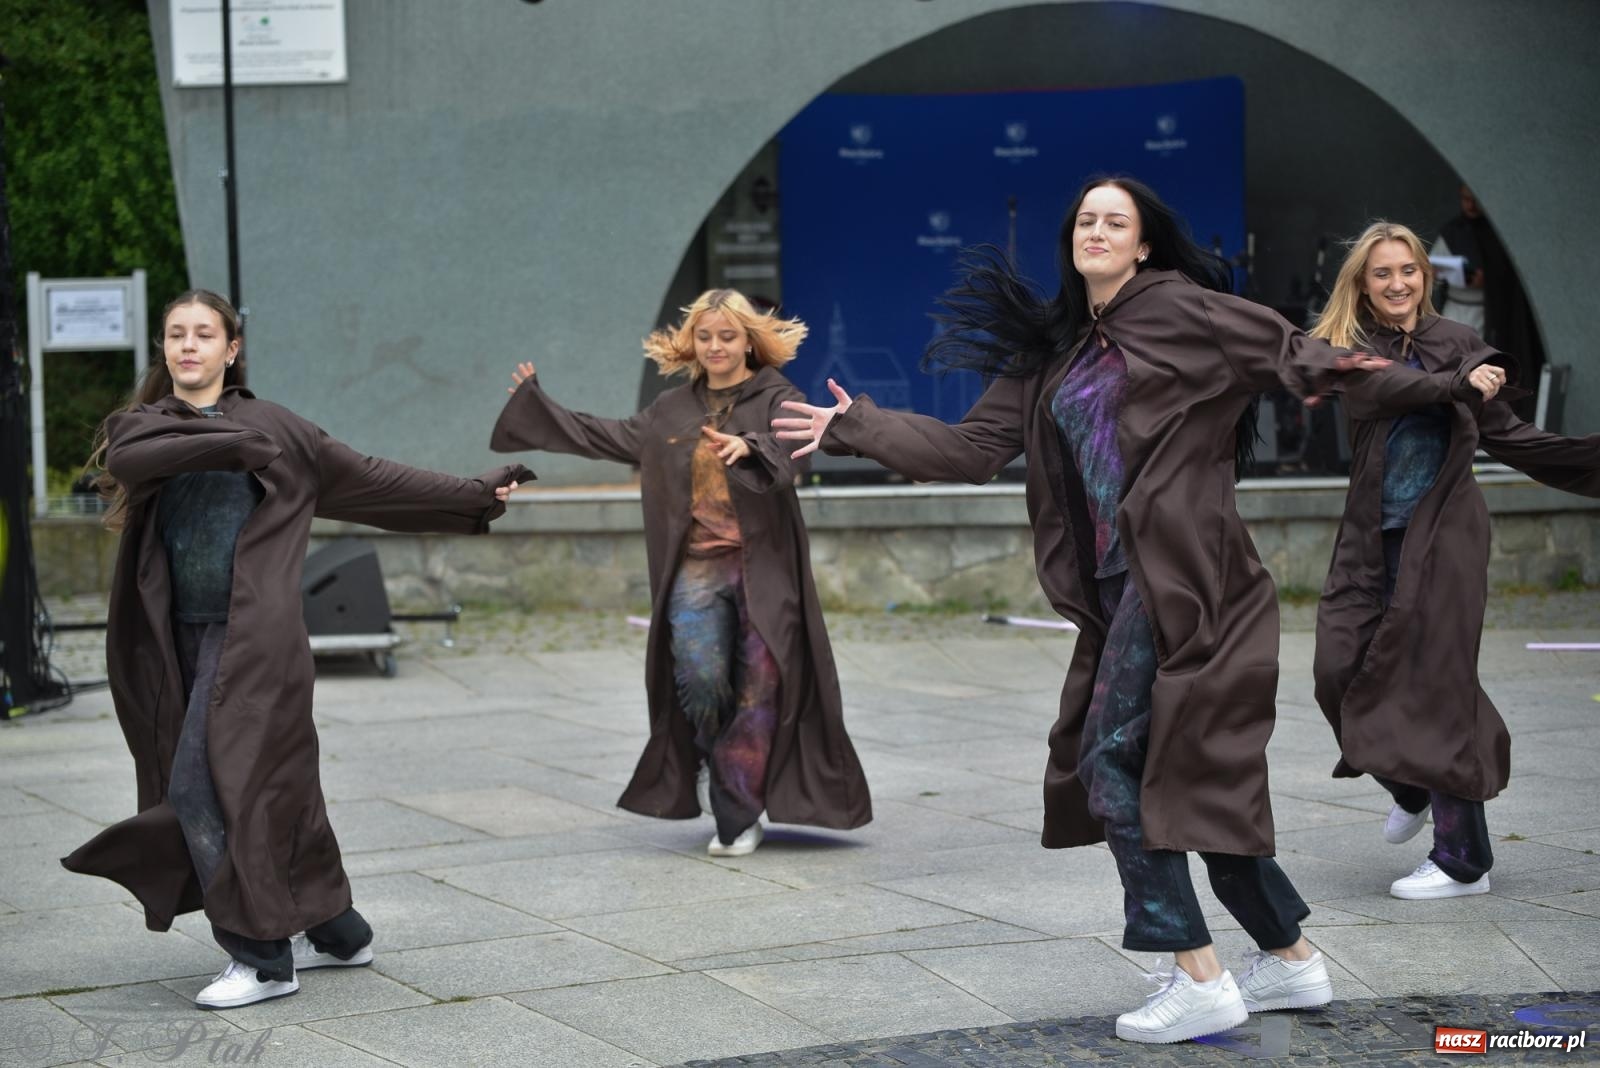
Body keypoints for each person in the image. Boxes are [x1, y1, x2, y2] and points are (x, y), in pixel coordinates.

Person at [773, 176, 1399, 1045]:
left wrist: (1408, 378)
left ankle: (1198, 974)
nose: (1096, 231)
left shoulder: (1184, 308)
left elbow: (1296, 353)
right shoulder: (1056, 351)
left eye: (1117, 221)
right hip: (1122, 592)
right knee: (1182, 779)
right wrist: (857, 426)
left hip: (1186, 577)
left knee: (1113, 766)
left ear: (1144, 244)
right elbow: (970, 450)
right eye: (1086, 221)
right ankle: (1292, 963)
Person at [62, 290, 530, 1010]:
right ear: (163, 349)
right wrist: (233, 442)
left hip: (255, 639)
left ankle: (262, 957)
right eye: (175, 335)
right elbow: (131, 457)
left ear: (232, 348)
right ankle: (339, 932)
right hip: (172, 642)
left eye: (203, 334)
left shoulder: (280, 428)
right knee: (282, 791)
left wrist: (475, 495)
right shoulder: (144, 425)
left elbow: (373, 480)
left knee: (202, 785)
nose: (188, 346)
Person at [490, 288, 870, 857]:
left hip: (762, 571)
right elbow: (605, 436)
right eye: (705, 336)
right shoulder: (670, 411)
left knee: (763, 686)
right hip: (695, 568)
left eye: (727, 336)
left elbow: (796, 449)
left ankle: (737, 811)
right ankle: (721, 766)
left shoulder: (776, 395)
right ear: (692, 343)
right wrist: (535, 405)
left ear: (748, 341)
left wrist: (751, 446)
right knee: (700, 678)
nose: (715, 346)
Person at [1309, 222, 1600, 900]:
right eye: (1382, 273)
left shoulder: (1459, 344)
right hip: (1368, 539)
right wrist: (1459, 382)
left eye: (1407, 269)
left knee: (1437, 686)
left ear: (1425, 275)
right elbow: (1383, 390)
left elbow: (1511, 437)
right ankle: (1409, 784)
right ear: (1362, 283)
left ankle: (1463, 860)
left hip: (1445, 537)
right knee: (1335, 668)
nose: (1397, 283)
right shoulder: (1346, 349)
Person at [1432, 185, 1546, 417]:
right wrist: (1460, 274)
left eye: (1475, 199)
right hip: (1456, 307)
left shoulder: (1498, 233)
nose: (1471, 205)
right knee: (1452, 361)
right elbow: (1430, 266)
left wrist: (1487, 279)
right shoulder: (1453, 232)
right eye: (1465, 199)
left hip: (1489, 314)